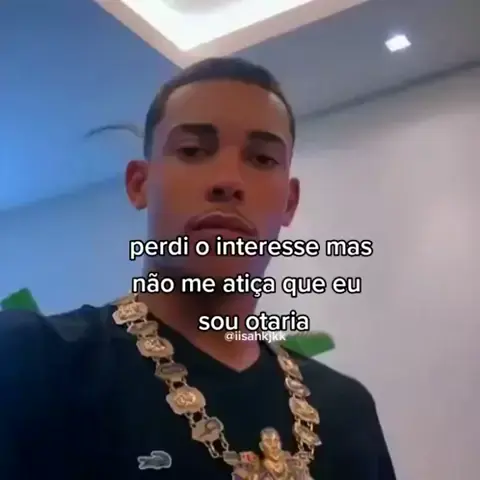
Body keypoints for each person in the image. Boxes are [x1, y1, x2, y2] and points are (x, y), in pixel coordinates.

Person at [0, 57, 396, 479]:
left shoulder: (346, 410)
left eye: (262, 159)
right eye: (192, 151)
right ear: (139, 184)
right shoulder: (31, 362)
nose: (228, 180)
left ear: (289, 202)